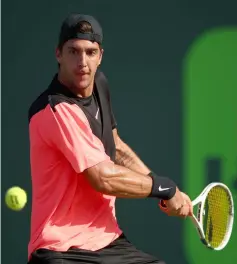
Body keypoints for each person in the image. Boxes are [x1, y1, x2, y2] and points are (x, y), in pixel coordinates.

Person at [27, 13, 193, 264]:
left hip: (107, 241)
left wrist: (162, 189)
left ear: (100, 56)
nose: (83, 62)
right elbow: (102, 177)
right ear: (58, 54)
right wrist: (164, 188)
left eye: (90, 52)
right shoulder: (56, 110)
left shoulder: (99, 85)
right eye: (74, 51)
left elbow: (114, 145)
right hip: (61, 250)